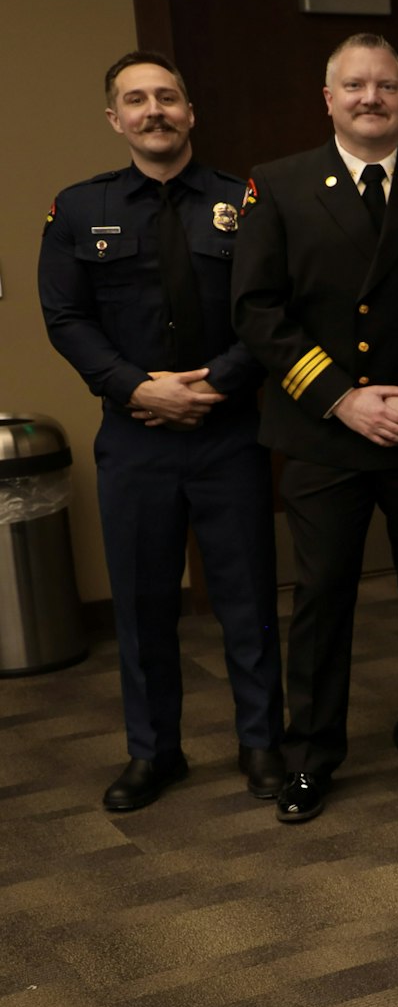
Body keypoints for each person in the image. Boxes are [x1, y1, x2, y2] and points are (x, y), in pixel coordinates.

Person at [38, 51, 284, 811]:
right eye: (136, 100)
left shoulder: (245, 200)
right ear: (116, 119)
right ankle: (155, 752)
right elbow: (67, 317)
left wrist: (216, 383)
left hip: (227, 430)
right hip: (136, 435)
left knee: (247, 598)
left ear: (190, 112)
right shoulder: (79, 208)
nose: (154, 111)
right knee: (143, 605)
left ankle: (263, 743)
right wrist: (135, 386)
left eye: (168, 97)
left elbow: (271, 305)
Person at [232, 33, 398, 823]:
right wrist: (341, 397)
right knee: (322, 597)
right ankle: (311, 755)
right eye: (355, 86)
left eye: (387, 86)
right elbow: (258, 311)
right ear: (329, 100)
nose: (372, 98)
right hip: (325, 430)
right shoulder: (280, 185)